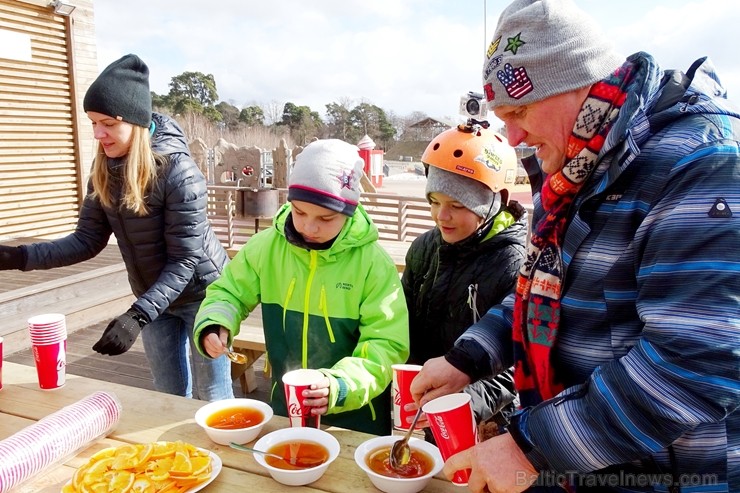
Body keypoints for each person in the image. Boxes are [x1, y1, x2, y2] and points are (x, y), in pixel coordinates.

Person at [409, 0, 740, 491]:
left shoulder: (698, 164)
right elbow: (542, 291)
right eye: (502, 116)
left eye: (519, 111)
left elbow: (695, 364)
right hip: (577, 461)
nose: (514, 136)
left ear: (577, 83)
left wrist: (532, 446)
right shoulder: (571, 167)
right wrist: (469, 359)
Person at [0, 54, 233, 401]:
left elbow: (185, 261)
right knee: (166, 394)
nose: (98, 134)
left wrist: (136, 317)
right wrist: (18, 256)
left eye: (107, 123)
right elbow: (86, 240)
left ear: (134, 122)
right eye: (93, 123)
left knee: (211, 394)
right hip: (152, 293)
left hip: (202, 293)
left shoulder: (178, 173)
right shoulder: (105, 168)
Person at [193, 138, 410, 435]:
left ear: (348, 211)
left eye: (325, 218)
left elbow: (387, 345)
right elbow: (228, 291)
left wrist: (339, 386)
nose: (309, 227)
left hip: (357, 420)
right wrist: (215, 323)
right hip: (287, 408)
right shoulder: (266, 248)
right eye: (299, 212)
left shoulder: (374, 264)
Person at [402, 122, 527, 440]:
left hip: (485, 417)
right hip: (425, 401)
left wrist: (465, 404)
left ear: (492, 204)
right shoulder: (424, 248)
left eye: (457, 206)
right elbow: (404, 324)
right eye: (434, 201)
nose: (441, 216)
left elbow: (519, 363)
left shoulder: (515, 263)